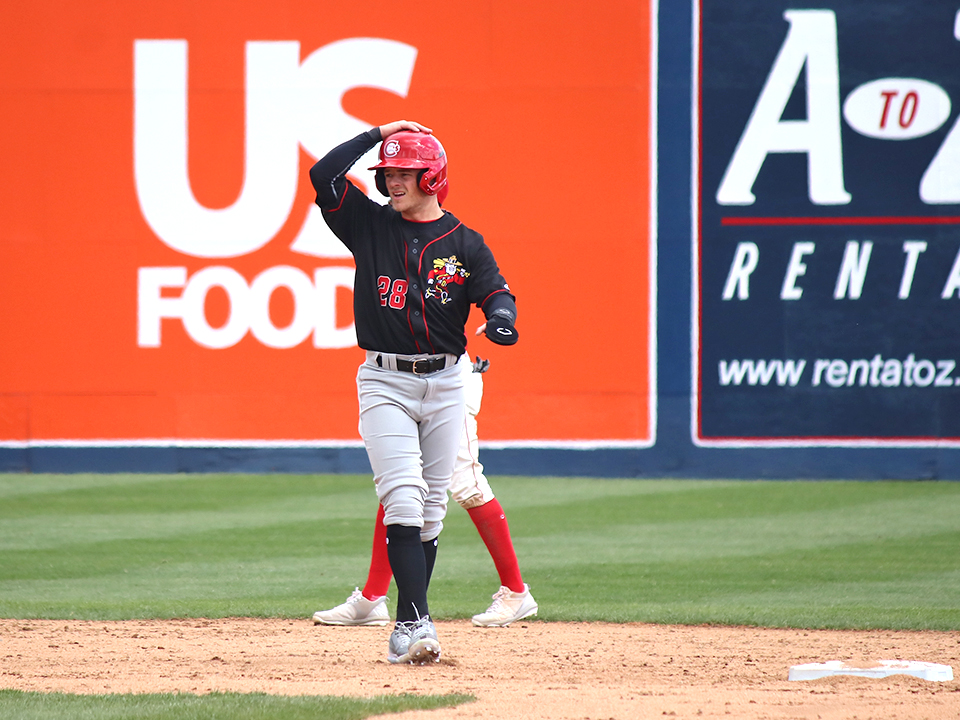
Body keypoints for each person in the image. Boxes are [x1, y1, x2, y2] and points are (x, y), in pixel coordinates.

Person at [309, 121, 519, 664]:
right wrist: (378, 135)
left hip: (448, 380)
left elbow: (496, 291)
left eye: (404, 171)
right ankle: (415, 623)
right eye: (388, 172)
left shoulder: (464, 242)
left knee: (430, 511)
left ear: (433, 175)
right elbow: (323, 174)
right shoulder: (368, 226)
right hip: (386, 379)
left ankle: (408, 623)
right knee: (401, 498)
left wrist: (500, 319)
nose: (392, 180)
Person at [312, 354, 538, 629]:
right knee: (399, 484)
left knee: (469, 485)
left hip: (445, 379)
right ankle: (372, 599)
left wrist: (496, 311)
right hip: (402, 378)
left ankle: (515, 591)